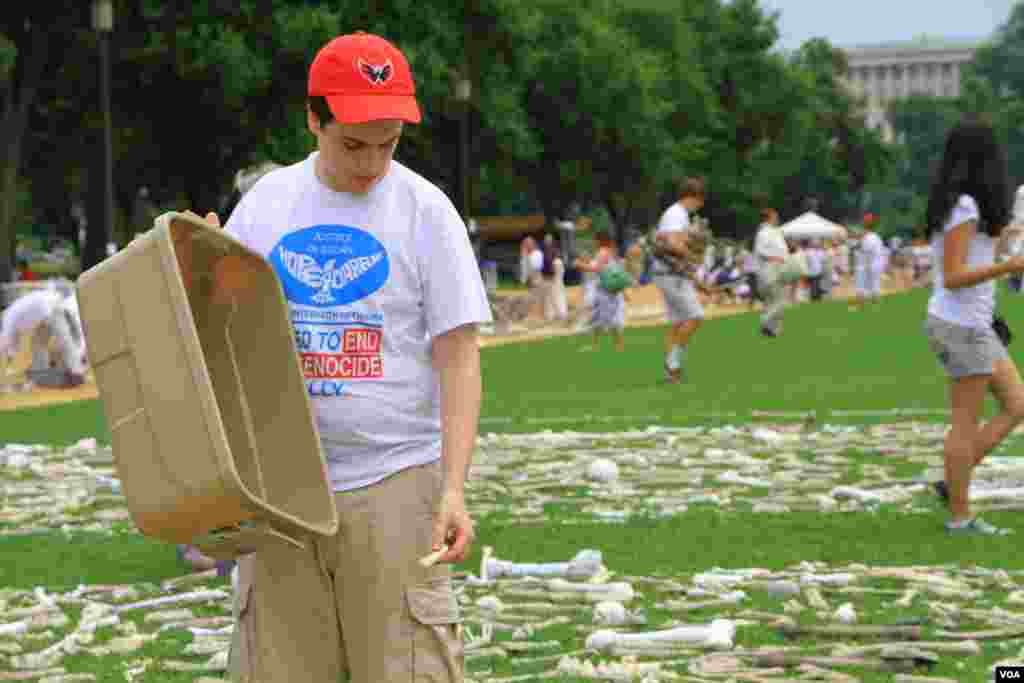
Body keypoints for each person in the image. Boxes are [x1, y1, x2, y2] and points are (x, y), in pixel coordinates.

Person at [186, 32, 491, 681]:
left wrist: (454, 487)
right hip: (282, 491)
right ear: (313, 119)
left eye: (388, 144)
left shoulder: (426, 211)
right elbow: (224, 336)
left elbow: (459, 354)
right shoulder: (267, 206)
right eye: (353, 143)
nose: (372, 163)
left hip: (394, 481)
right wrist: (198, 267)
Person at [923, 117, 1024, 536]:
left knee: (1018, 404)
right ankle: (960, 517)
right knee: (964, 421)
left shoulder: (967, 206)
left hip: (974, 323)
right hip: (961, 325)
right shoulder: (963, 206)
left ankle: (954, 481)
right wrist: (1009, 265)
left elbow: (973, 256)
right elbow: (953, 275)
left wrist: (1006, 241)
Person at [652, 177, 708, 383]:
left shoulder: (675, 214)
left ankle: (671, 373)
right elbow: (673, 245)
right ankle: (672, 362)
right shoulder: (677, 214)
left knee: (677, 323)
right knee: (696, 316)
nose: (700, 206)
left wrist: (697, 279)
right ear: (694, 197)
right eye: (701, 200)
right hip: (670, 275)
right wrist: (693, 255)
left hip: (670, 273)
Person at [576, 231, 627, 352]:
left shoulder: (603, 252)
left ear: (600, 241)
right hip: (610, 289)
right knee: (605, 317)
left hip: (605, 290)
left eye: (596, 240)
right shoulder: (612, 252)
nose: (594, 242)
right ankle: (613, 346)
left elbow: (597, 269)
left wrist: (580, 265)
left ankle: (608, 346)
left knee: (604, 317)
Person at [753, 207, 789, 337]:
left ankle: (771, 330)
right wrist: (776, 257)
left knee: (772, 300)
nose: (777, 218)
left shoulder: (773, 231)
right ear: (769, 218)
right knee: (779, 300)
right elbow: (760, 250)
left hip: (776, 268)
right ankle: (765, 321)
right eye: (775, 216)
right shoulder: (764, 232)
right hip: (769, 269)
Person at [852, 213, 885, 309]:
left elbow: (865, 251)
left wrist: (865, 266)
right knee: (875, 285)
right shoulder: (877, 237)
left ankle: (860, 305)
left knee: (861, 285)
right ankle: (875, 306)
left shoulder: (868, 238)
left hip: (867, 265)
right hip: (874, 265)